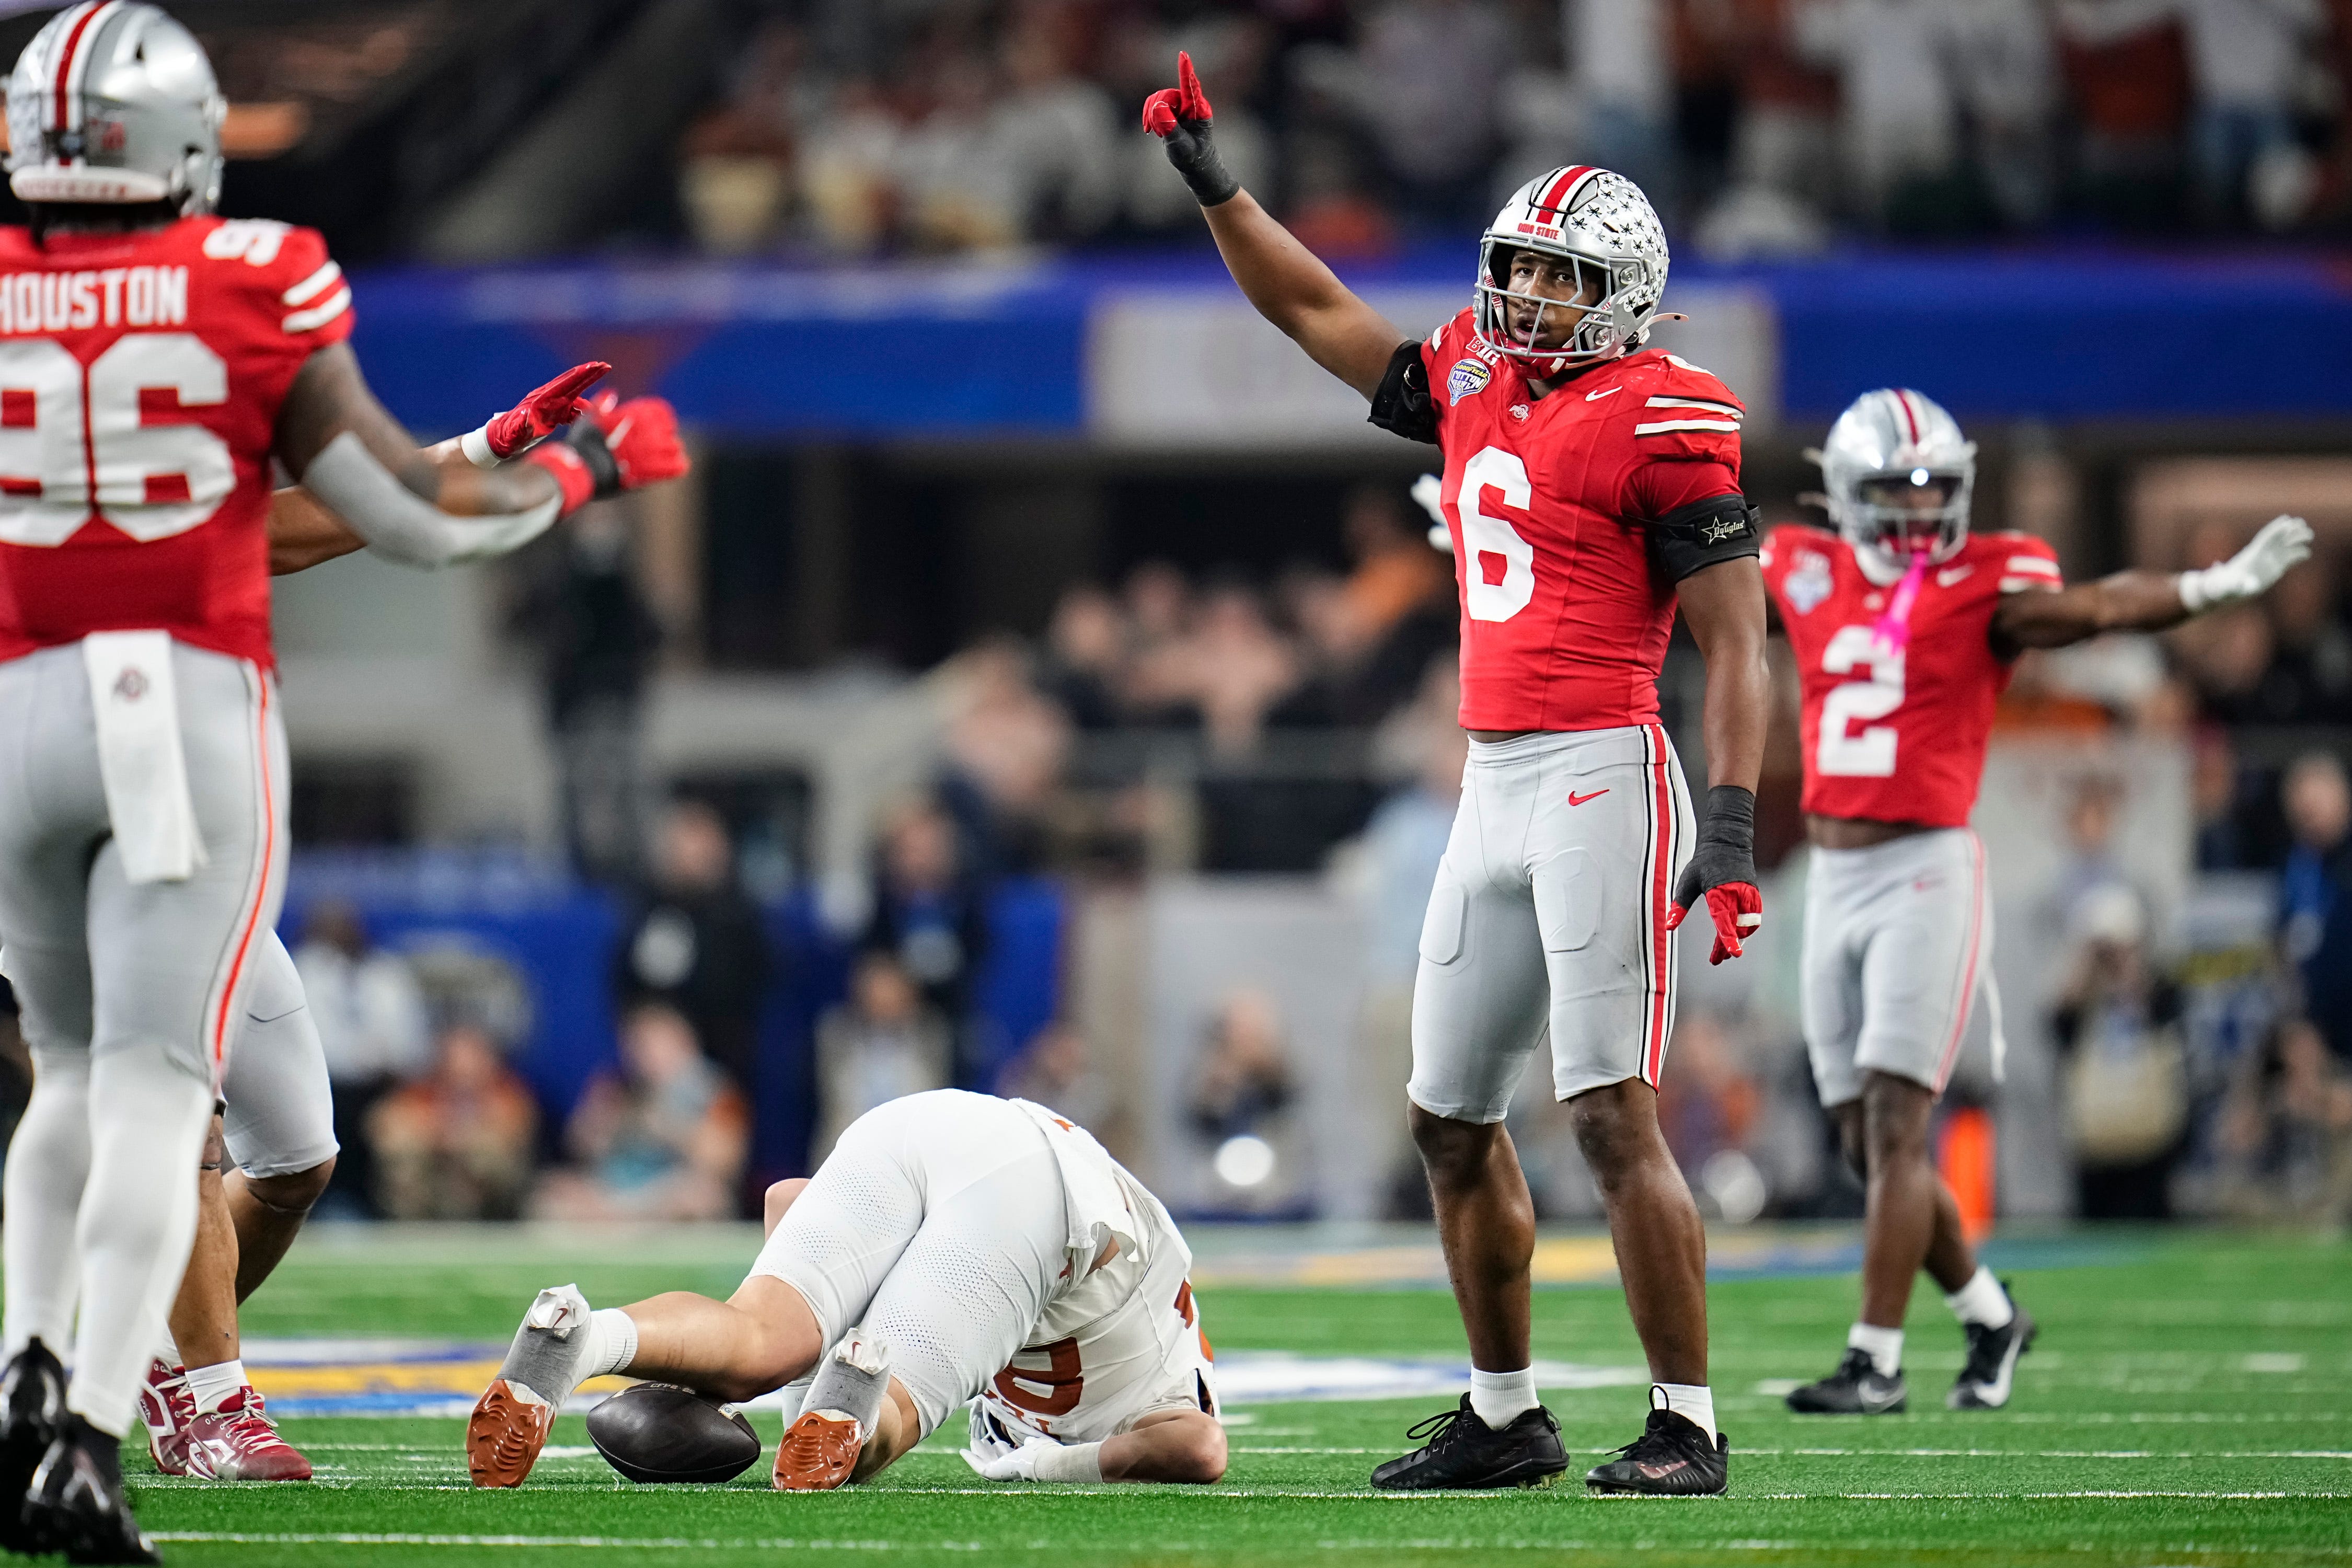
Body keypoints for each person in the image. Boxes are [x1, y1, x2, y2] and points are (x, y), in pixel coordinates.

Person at [0, 9, 689, 1548]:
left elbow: (283, 521)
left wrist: (480, 440)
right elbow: (370, 501)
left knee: (284, 1146)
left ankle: (80, 1373)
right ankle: (169, 1401)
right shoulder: (244, 281)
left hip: (35, 720)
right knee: (147, 1108)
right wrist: (567, 475)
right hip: (156, 723)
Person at [1145, 57, 1772, 1494]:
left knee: (1610, 1110)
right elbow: (1316, 310)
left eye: (1558, 281)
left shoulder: (1667, 414)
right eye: (1518, 273)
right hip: (1487, 784)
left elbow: (1740, 645)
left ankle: (1687, 1423)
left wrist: (1727, 833)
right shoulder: (1479, 376)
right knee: (1445, 1117)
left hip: (1605, 768)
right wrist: (1211, 183)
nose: (1525, 303)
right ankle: (1506, 1413)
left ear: (1620, 295)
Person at [1757, 386, 2310, 1416]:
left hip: (1925, 867)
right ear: (1842, 492)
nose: (1923, 514)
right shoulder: (1801, 563)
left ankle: (1875, 1361)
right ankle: (1989, 1315)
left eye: (1937, 492)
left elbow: (2095, 606)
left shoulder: (1983, 582)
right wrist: (1496, 539)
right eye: (1897, 491)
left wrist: (2212, 585)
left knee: (1893, 1124)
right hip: (1831, 875)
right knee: (1858, 1140)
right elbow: (1687, 585)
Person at [466, 1090, 1224, 1492]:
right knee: (877, 1428)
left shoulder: (1144, 1321)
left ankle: (583, 1332)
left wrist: (800, 1365)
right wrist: (1041, 1465)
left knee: (759, 1335)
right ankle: (854, 1389)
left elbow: (786, 1201)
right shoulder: (1163, 1372)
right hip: (1047, 1207)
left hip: (934, 1120)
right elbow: (1196, 1446)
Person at [534, 1004, 748, 1224]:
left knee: (704, 1199)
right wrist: (601, 1123)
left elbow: (722, 1164)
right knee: (552, 1196)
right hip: (613, 1191)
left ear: (685, 1043)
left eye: (657, 1044)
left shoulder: (716, 1091)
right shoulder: (616, 1085)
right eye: (639, 1045)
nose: (647, 1054)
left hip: (670, 1192)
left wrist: (666, 1127)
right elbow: (579, 1148)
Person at [615, 800, 770, 1094]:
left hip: (719, 1069)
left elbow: (748, 996)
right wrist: (647, 1034)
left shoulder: (738, 921)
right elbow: (626, 983)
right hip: (648, 1067)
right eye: (684, 846)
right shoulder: (646, 911)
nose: (693, 857)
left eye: (703, 848)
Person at [366, 1022, 540, 1221]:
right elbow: (387, 1123)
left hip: (485, 1186)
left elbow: (512, 1132)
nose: (462, 1067)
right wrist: (437, 1135)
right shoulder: (424, 1091)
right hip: (435, 1178)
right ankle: (410, 1228)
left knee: (486, 1156)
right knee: (404, 1158)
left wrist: (461, 1138)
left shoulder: (506, 1093)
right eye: (454, 1058)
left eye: (470, 1057)